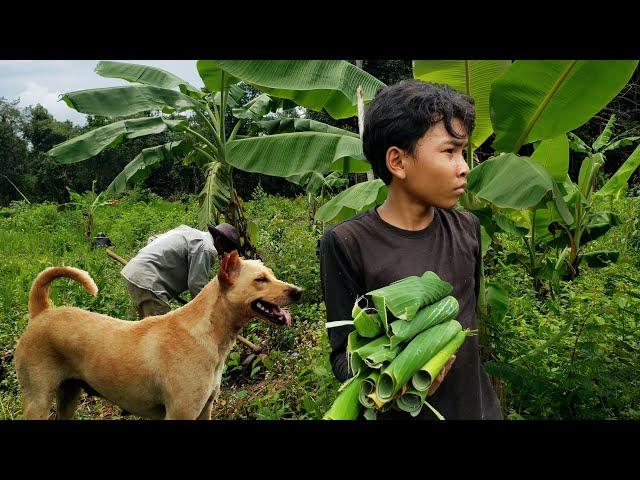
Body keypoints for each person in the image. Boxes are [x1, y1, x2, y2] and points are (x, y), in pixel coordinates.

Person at [319, 79, 502, 419]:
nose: (464, 167)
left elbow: (468, 317)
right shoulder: (346, 243)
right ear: (398, 162)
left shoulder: (467, 230)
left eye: (462, 152)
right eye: (449, 151)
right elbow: (343, 358)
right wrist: (399, 377)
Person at [122, 223, 240, 319]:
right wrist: (208, 312)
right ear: (218, 240)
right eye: (224, 250)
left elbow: (152, 239)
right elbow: (196, 285)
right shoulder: (207, 248)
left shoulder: (187, 231)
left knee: (148, 333)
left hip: (135, 274)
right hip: (148, 283)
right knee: (164, 335)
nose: (221, 254)